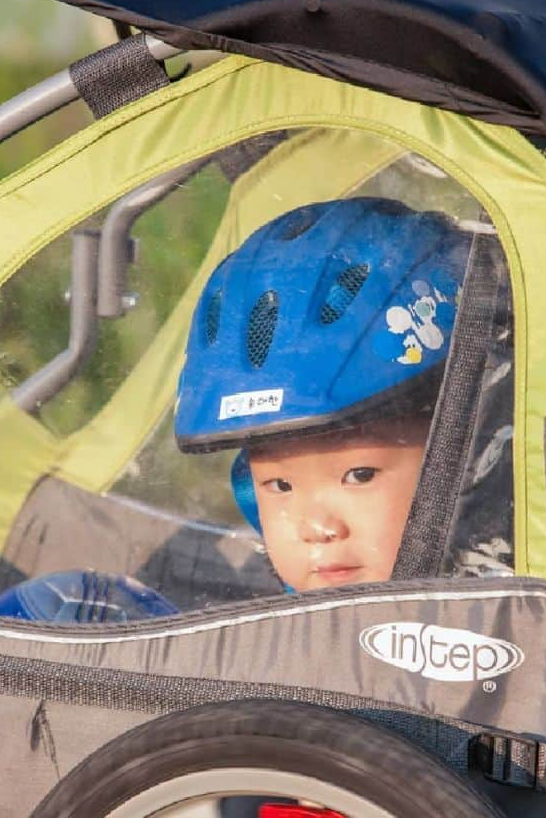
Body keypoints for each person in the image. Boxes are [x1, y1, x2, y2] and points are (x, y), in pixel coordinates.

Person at [175, 197, 471, 591]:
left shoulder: (538, 616)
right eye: (280, 486)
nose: (317, 528)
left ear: (465, 454)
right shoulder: (272, 641)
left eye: (359, 476)